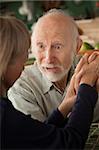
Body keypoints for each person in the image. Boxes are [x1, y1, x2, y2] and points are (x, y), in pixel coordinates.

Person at [0, 15, 99, 150]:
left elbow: (38, 136)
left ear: (77, 46)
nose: (48, 59)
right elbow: (69, 145)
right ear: (6, 61)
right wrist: (86, 88)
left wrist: (64, 107)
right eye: (40, 46)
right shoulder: (6, 112)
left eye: (57, 47)